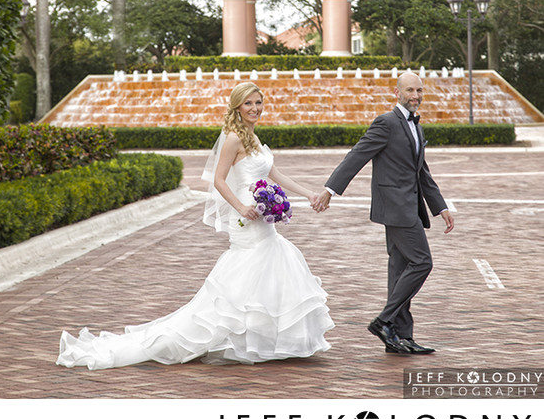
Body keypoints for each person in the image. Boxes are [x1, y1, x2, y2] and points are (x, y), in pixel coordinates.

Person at [56, 82, 334, 369]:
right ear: (237, 107)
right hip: (246, 216)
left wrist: (308, 193)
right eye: (248, 103)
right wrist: (241, 207)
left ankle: (260, 341)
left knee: (267, 269)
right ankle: (225, 336)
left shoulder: (253, 137)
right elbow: (218, 180)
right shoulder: (234, 139)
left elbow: (275, 173)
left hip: (261, 216)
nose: (255, 109)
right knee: (248, 271)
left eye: (258, 103)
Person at [313, 72, 454, 355]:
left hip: (409, 206)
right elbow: (357, 155)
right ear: (397, 91)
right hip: (395, 208)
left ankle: (400, 337)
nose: (415, 95)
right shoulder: (386, 123)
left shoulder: (416, 125)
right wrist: (330, 190)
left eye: (419, 90)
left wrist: (440, 206)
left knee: (401, 271)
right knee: (422, 263)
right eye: (410, 90)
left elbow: (421, 172)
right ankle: (383, 321)